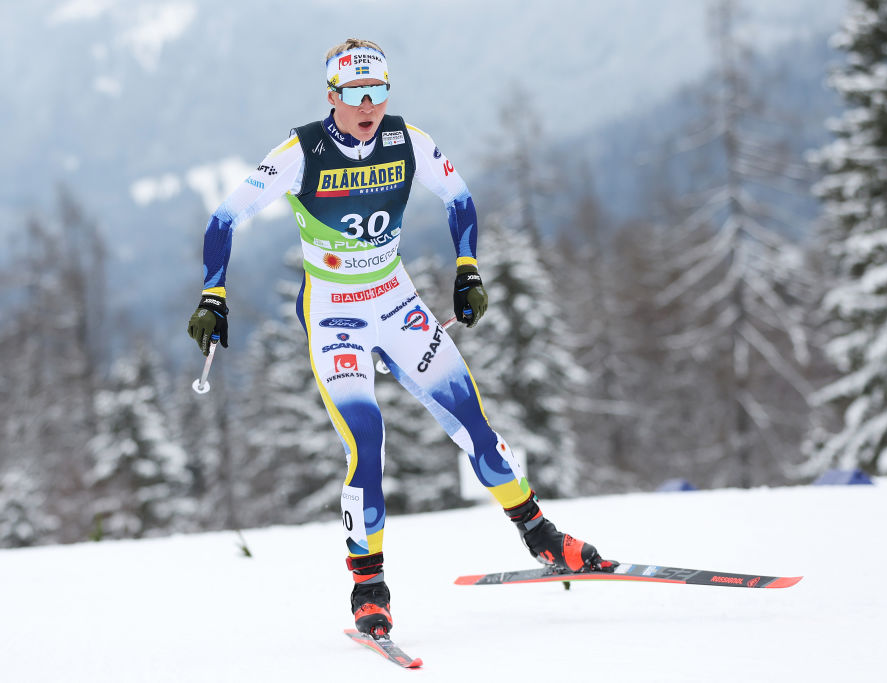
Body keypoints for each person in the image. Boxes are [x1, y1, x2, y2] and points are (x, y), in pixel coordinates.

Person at [186, 38, 614, 637]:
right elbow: (223, 218)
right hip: (334, 313)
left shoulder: (407, 141)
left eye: (379, 90)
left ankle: (541, 536)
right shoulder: (300, 151)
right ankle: (369, 589)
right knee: (367, 444)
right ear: (332, 95)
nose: (369, 105)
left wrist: (467, 269)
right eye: (356, 93)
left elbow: (459, 198)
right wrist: (214, 293)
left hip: (396, 302)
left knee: (478, 430)